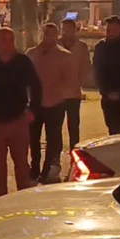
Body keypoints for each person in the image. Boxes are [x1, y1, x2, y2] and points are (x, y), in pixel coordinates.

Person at [0, 27, 42, 197]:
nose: (7, 44)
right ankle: (2, 197)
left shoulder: (23, 62)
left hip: (18, 119)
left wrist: (32, 110)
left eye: (10, 40)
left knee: (21, 161)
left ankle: (22, 195)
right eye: (3, 40)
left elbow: (36, 87)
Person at [27, 22, 76, 183]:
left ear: (57, 35)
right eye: (46, 33)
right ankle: (34, 167)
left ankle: (47, 169)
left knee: (53, 138)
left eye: (52, 33)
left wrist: (60, 92)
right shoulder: (32, 53)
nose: (49, 36)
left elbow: (70, 79)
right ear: (42, 33)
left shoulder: (64, 55)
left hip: (55, 103)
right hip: (35, 103)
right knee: (33, 138)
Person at [59, 18, 90, 151]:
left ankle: (74, 150)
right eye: (63, 29)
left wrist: (78, 83)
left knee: (73, 124)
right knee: (55, 125)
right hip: (57, 93)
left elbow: (85, 67)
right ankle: (56, 152)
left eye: (68, 29)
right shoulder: (55, 44)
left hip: (73, 92)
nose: (65, 32)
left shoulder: (81, 47)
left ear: (74, 30)